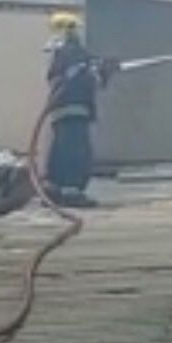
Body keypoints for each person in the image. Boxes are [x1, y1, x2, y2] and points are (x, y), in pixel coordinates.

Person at [42, 12, 115, 208]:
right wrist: (100, 70)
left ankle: (54, 188)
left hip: (63, 109)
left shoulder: (59, 53)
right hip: (74, 107)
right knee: (75, 150)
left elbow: (91, 72)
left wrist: (104, 70)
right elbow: (82, 73)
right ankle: (70, 191)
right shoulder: (69, 52)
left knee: (61, 148)